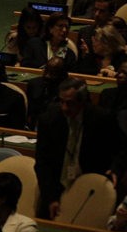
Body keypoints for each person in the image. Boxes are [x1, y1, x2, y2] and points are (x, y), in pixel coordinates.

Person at [35, 78, 125, 218]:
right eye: (61, 101)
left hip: (91, 188)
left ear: (82, 101)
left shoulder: (102, 118)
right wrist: (51, 198)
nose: (64, 107)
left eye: (70, 103)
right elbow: (42, 163)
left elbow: (123, 147)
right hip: (55, 187)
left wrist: (116, 168)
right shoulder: (49, 119)